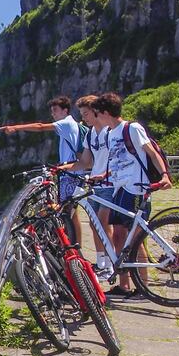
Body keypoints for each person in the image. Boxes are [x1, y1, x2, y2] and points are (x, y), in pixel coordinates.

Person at [90, 91, 171, 296]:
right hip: (119, 188)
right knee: (119, 236)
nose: (96, 118)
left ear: (105, 113)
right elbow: (119, 161)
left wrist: (164, 175)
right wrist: (104, 175)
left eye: (97, 113)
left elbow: (151, 152)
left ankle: (143, 286)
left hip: (136, 188)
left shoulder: (132, 128)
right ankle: (124, 285)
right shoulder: (110, 133)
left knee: (135, 239)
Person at [0, 95, 84, 244]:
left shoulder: (66, 124)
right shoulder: (69, 125)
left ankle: (71, 248)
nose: (53, 114)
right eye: (52, 111)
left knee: (66, 212)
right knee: (72, 213)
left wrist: (15, 128)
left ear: (65, 110)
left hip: (71, 174)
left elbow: (40, 126)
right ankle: (76, 247)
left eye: (55, 110)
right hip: (71, 172)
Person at [57, 95, 115, 278]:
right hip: (96, 185)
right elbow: (84, 162)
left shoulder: (110, 131)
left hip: (112, 184)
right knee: (94, 223)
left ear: (96, 111)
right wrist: (62, 168)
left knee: (103, 222)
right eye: (82, 114)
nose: (84, 118)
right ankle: (102, 262)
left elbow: (118, 158)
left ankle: (111, 264)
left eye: (86, 113)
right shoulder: (90, 134)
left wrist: (106, 174)